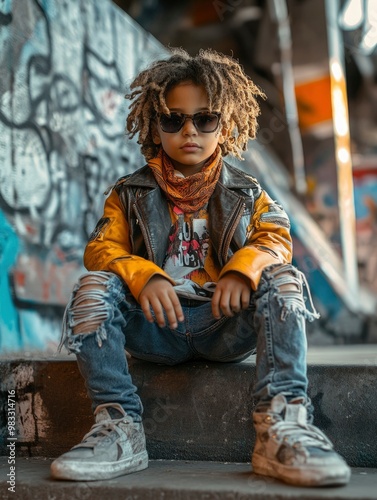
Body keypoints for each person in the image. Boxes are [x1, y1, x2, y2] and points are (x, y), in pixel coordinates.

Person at [51, 48, 351, 487]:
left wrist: (240, 270)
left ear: (224, 125)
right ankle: (119, 426)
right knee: (94, 287)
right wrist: (144, 275)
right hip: (156, 325)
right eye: (173, 119)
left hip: (223, 323)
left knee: (284, 279)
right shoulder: (129, 192)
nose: (189, 130)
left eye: (204, 119)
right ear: (156, 126)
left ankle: (283, 425)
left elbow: (275, 239)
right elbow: (101, 250)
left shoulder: (247, 193)